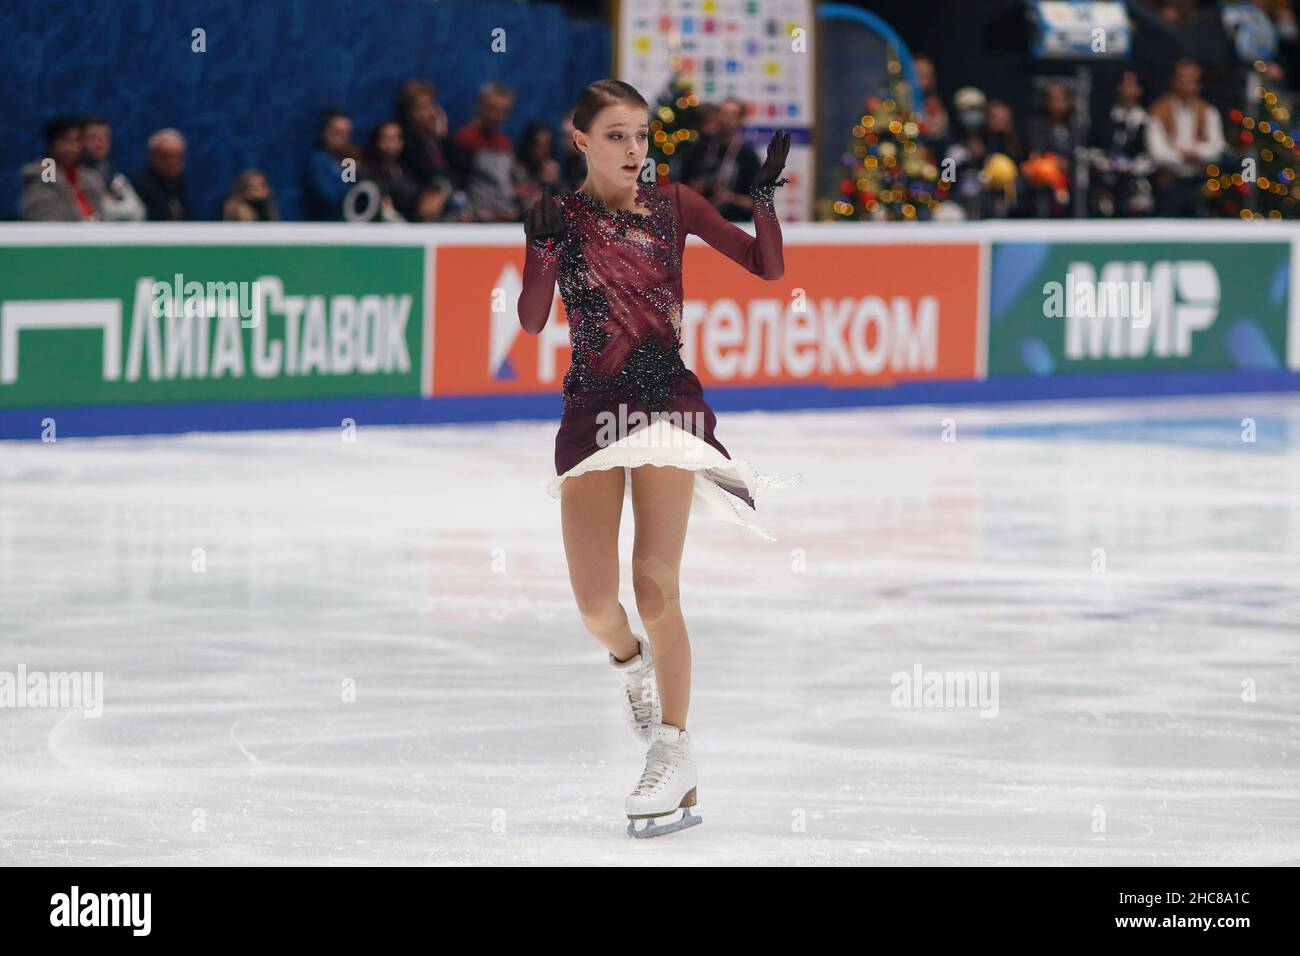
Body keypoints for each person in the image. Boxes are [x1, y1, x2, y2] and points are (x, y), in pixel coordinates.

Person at [517, 79, 800, 839]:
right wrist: (542, 253)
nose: (632, 148)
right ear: (580, 140)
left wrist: (763, 200)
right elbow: (532, 319)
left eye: (640, 134)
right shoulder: (562, 217)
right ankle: (628, 665)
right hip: (590, 411)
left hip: (667, 401)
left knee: (655, 585)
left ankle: (674, 750)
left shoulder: (676, 205)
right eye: (614, 135)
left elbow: (766, 269)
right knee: (596, 606)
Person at [1146, 59, 1225, 217]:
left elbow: (1216, 149)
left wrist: (1190, 153)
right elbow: (1158, 153)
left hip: (1199, 182)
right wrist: (1190, 155)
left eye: (1192, 79)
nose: (1187, 84)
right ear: (1174, 81)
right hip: (1169, 183)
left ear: (1199, 83)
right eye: (1182, 79)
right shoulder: (1158, 110)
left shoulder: (1209, 111)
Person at [678, 96, 761, 220]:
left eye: (733, 115)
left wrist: (731, 198)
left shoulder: (748, 156)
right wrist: (693, 190)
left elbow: (758, 203)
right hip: (699, 225)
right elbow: (679, 189)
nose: (727, 119)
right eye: (723, 114)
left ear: (740, 120)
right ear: (717, 116)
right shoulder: (697, 149)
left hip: (736, 226)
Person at [452, 82, 521, 221]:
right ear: (479, 106)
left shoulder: (504, 143)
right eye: (493, 109)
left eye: (504, 111)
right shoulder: (464, 138)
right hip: (477, 219)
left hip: (504, 216)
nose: (498, 116)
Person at [20, 115, 107, 221]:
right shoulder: (45, 172)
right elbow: (48, 222)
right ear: (51, 143)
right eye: (65, 140)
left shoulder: (89, 176)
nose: (72, 147)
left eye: (76, 140)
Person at [80, 115, 145, 221]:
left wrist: (108, 205)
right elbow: (97, 214)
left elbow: (139, 211)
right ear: (80, 141)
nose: (99, 143)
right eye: (92, 138)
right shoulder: (74, 176)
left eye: (104, 137)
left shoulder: (115, 176)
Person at [304, 109, 360, 221]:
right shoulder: (318, 161)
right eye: (337, 132)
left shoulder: (348, 160)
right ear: (324, 132)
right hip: (326, 227)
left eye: (346, 133)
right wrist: (350, 171)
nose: (342, 137)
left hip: (350, 225)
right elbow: (330, 198)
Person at [134, 128, 194, 221]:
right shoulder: (142, 186)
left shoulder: (180, 184)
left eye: (177, 156)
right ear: (152, 157)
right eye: (165, 156)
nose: (172, 162)